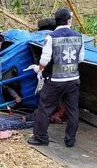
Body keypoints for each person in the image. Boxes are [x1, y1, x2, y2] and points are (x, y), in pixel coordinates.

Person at [26, 8, 84, 147]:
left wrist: (38, 69)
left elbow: (44, 61)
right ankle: (70, 140)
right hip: (73, 79)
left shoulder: (51, 37)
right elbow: (80, 59)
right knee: (73, 110)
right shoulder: (79, 36)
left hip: (55, 81)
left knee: (45, 108)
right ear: (69, 21)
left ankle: (41, 138)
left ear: (56, 21)